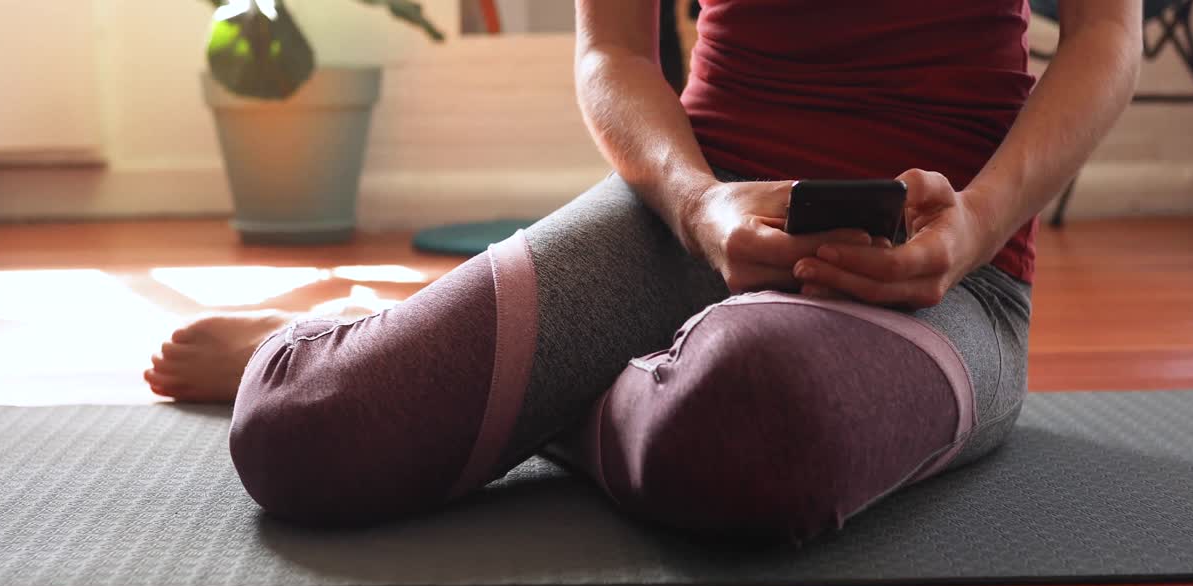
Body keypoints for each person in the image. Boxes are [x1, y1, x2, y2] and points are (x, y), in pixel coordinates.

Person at [146, 0, 1142, 543]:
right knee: (300, 432)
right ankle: (372, 335)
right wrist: (696, 203)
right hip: (690, 213)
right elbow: (612, 48)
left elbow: (1104, 33)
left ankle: (525, 370)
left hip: (948, 276)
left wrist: (972, 227)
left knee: (754, 418)